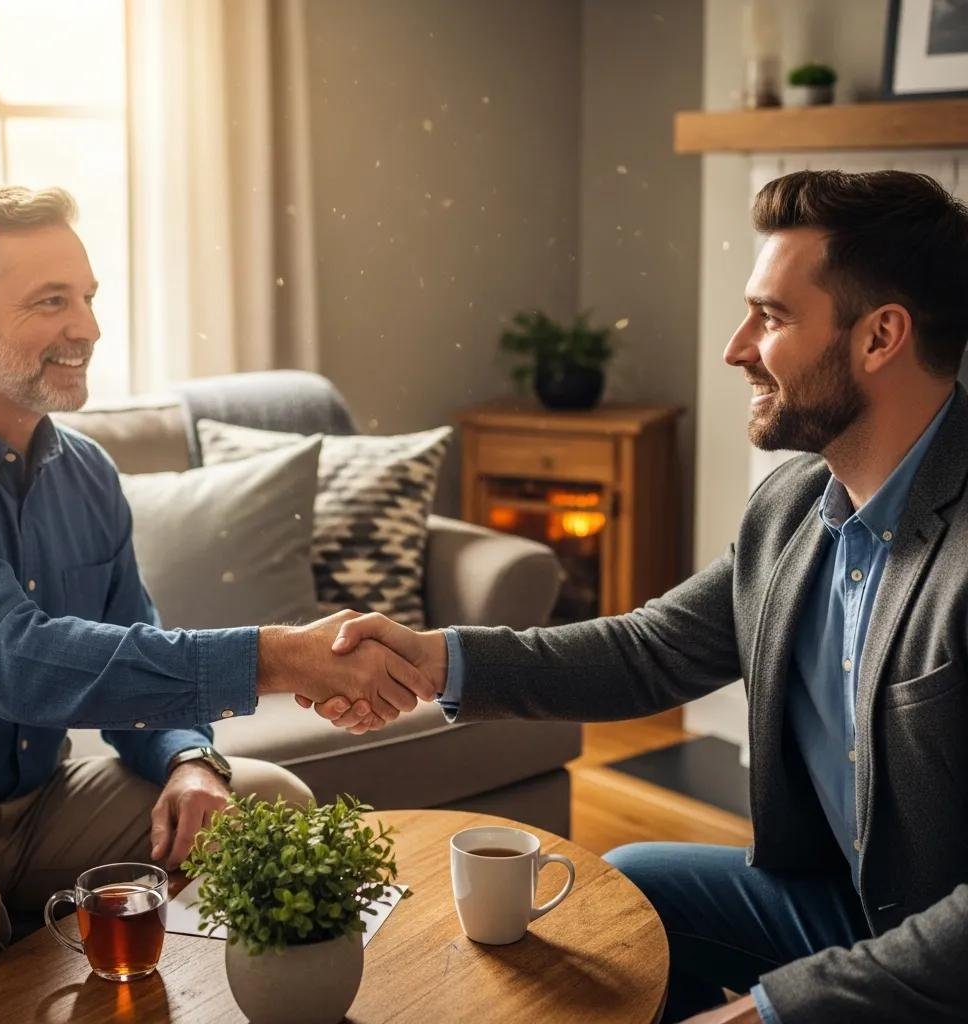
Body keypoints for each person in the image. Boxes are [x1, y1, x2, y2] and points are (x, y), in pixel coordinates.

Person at [313, 170, 968, 1023]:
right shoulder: (794, 506)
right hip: (847, 904)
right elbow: (648, 650)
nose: (735, 348)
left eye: (770, 317)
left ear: (880, 337)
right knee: (629, 888)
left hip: (944, 953)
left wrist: (770, 1012)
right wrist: (433, 657)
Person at [0, 186, 434, 989]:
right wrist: (280, 658)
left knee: (264, 804)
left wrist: (191, 760)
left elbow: (136, 645)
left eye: (90, 299)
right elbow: (17, 663)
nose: (88, 329)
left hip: (39, 804)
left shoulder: (89, 474)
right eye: (51, 302)